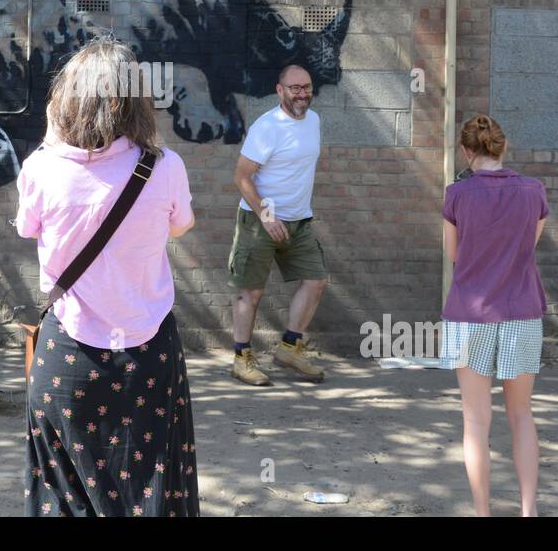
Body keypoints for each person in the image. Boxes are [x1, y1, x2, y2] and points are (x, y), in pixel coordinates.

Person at [16, 37, 199, 516]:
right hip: (148, 354)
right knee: (151, 485)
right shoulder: (165, 167)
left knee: (67, 493)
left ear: (66, 100)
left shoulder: (39, 168)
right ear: (134, 101)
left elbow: (25, 227)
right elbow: (181, 225)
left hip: (67, 355)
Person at [440, 114, 548, 517]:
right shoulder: (533, 192)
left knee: (475, 422)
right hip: (522, 312)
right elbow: (528, 248)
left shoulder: (457, 195)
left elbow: (455, 255)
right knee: (521, 414)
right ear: (503, 147)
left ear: (467, 152)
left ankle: (483, 512)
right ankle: (528, 511)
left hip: (469, 315)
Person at [228, 64, 328, 385]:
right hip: (260, 220)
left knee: (315, 280)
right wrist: (267, 217)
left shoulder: (313, 120)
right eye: (295, 87)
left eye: (307, 87)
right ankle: (242, 358)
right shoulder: (267, 127)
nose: (302, 93)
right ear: (279, 90)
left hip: (298, 221)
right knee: (251, 292)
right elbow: (241, 176)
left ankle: (289, 347)